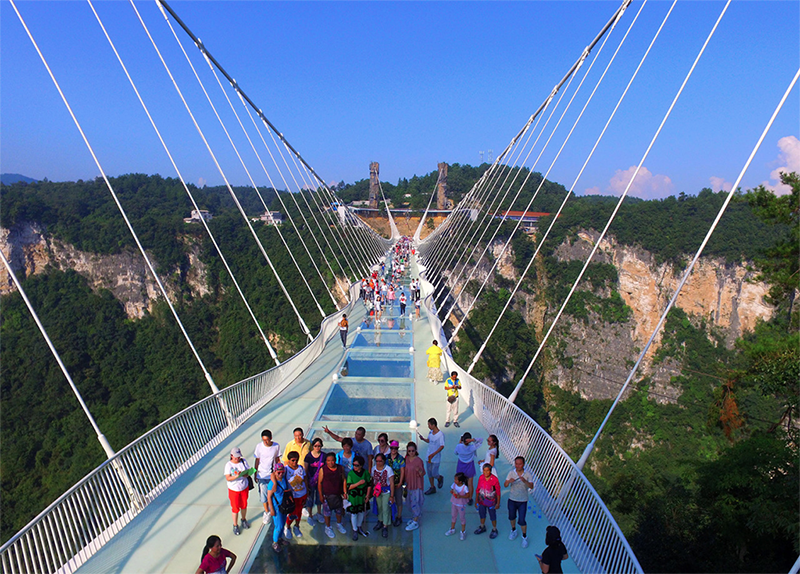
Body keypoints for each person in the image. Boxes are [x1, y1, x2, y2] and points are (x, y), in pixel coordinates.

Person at [505, 455, 534, 547]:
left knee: (522, 520)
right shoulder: (511, 473)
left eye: (520, 464)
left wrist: (525, 481)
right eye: (516, 464)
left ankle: (524, 537)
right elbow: (505, 485)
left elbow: (531, 486)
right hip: (512, 499)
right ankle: (513, 530)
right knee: (512, 516)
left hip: (523, 500)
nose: (518, 466)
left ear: (523, 464)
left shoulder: (528, 474)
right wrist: (509, 481)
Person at [254, 429, 281, 525]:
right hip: (262, 474)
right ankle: (267, 512)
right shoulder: (259, 446)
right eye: (263, 440)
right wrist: (255, 472)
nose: (265, 442)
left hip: (272, 474)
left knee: (274, 492)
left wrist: (279, 471)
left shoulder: (276, 446)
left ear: (271, 438)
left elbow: (278, 459)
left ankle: (275, 508)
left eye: (267, 440)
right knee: (263, 494)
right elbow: (257, 460)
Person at [318, 452, 347, 538]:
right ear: (326, 461)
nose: (331, 463)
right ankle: (328, 527)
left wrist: (345, 492)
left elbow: (344, 480)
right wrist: (320, 495)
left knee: (339, 511)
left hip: (338, 494)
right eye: (328, 461)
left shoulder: (340, 468)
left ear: (335, 460)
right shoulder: (323, 469)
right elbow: (319, 483)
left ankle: (339, 524)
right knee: (327, 513)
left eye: (332, 460)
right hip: (327, 495)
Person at [266, 462, 291, 552]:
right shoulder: (271, 484)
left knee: (283, 523)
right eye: (278, 472)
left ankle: (279, 538)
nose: (280, 474)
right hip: (276, 507)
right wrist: (271, 509)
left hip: (283, 505)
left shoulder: (283, 479)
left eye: (282, 472)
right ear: (275, 472)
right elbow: (269, 497)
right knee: (278, 526)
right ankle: (275, 542)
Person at [224, 447, 250, 536]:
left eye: (238, 457)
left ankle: (243, 519)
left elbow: (248, 472)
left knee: (244, 505)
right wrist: (237, 476)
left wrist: (246, 474)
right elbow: (228, 478)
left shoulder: (243, 461)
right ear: (231, 456)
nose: (237, 458)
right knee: (235, 508)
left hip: (244, 487)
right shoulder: (228, 465)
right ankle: (235, 525)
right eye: (236, 457)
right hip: (234, 490)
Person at [346, 455, 372, 541]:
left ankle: (359, 526)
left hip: (363, 495)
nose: (355, 467)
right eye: (354, 465)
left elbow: (369, 484)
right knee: (354, 514)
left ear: (361, 465)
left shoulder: (365, 473)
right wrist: (359, 483)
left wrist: (368, 495)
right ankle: (354, 530)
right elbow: (349, 486)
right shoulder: (351, 474)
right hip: (354, 496)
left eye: (357, 465)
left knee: (361, 512)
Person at [417, 418, 444, 495]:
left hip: (435, 458)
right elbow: (429, 441)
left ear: (433, 425)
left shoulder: (440, 435)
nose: (428, 426)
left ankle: (439, 478)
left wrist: (434, 454)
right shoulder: (430, 432)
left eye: (429, 425)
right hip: (428, 457)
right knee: (429, 473)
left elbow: (442, 446)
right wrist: (423, 439)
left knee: (434, 473)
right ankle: (432, 487)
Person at [370, 453, 394, 538]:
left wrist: (392, 495)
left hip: (386, 491)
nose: (378, 463)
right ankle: (380, 521)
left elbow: (391, 483)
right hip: (377, 491)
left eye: (380, 461)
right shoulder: (373, 469)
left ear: (384, 461)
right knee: (379, 507)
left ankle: (385, 525)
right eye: (377, 461)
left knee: (385, 508)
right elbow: (372, 480)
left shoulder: (388, 469)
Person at [454, 432, 482, 505]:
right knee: (470, 484)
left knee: (459, 482)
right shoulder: (472, 447)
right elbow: (481, 440)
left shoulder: (458, 446)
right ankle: (470, 498)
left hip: (461, 465)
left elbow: (455, 453)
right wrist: (472, 440)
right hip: (469, 466)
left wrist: (460, 442)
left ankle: (459, 495)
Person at [474, 463, 501, 538]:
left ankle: (494, 529)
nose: (485, 473)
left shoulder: (495, 479)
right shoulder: (481, 477)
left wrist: (498, 503)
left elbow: (498, 492)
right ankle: (482, 526)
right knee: (482, 514)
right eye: (484, 470)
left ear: (490, 471)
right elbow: (478, 489)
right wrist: (476, 501)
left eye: (487, 471)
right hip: (481, 501)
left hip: (491, 502)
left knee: (492, 515)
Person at [284, 451, 306, 540]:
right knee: (292, 512)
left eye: (296, 460)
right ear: (288, 460)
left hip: (302, 494)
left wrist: (307, 491)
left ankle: (297, 526)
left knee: (299, 512)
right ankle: (288, 527)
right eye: (292, 460)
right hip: (292, 496)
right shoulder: (285, 470)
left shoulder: (301, 468)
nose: (294, 462)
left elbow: (305, 479)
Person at [403, 441, 425, 531]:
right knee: (409, 502)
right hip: (409, 484)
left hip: (416, 484)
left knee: (415, 502)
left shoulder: (419, 461)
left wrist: (418, 470)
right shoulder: (406, 459)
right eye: (409, 451)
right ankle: (414, 517)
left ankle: (416, 521)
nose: (411, 453)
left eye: (413, 451)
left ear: (415, 451)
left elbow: (423, 473)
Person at [303, 438, 325, 525]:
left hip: (321, 481)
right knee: (310, 498)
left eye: (319, 446)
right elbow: (306, 469)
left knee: (319, 497)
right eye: (315, 446)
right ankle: (310, 515)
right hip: (310, 481)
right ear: (312, 446)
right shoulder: (308, 456)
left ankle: (319, 513)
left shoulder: (324, 456)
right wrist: (306, 483)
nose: (317, 448)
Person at [444, 472, 469, 541]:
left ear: (460, 481)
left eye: (456, 480)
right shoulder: (454, 485)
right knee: (453, 516)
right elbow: (452, 490)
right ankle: (452, 528)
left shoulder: (464, 487)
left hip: (461, 505)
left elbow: (467, 495)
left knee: (462, 517)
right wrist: (452, 491)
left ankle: (463, 531)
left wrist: (460, 496)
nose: (454, 481)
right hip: (454, 503)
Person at [386, 440, 406, 527]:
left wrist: (400, 482)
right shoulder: (386, 457)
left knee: (398, 500)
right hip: (387, 484)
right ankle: (390, 516)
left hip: (397, 483)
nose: (393, 450)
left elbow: (402, 471)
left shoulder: (401, 459)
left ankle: (398, 516)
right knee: (389, 500)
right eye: (392, 448)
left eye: (395, 448)